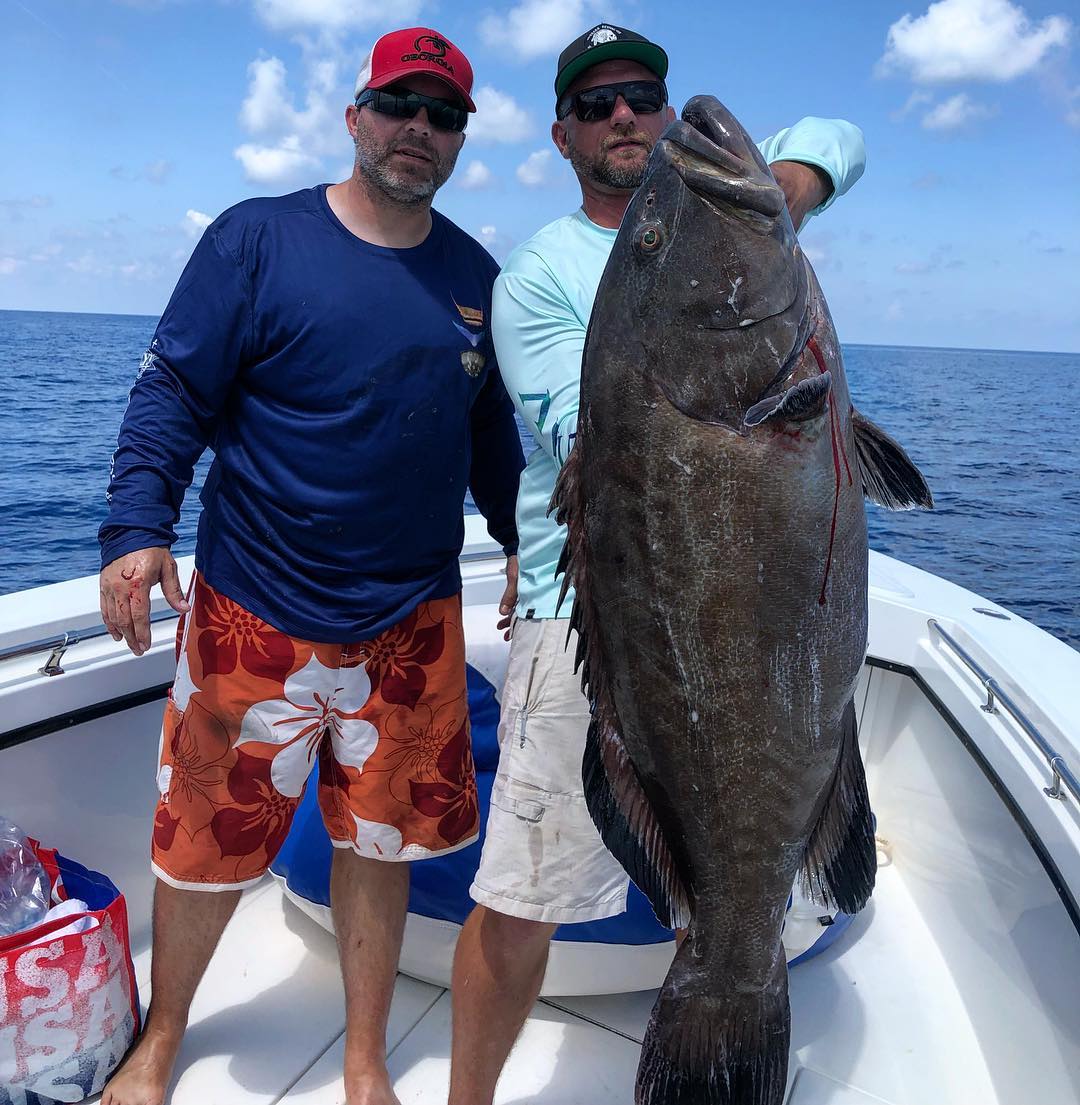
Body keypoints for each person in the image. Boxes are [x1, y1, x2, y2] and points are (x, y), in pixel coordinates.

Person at [97, 27, 524, 1105]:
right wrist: (136, 526)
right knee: (202, 843)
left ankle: (366, 1060)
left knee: (379, 848)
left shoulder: (478, 279)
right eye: (399, 105)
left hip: (411, 622)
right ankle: (163, 1039)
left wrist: (532, 550)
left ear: (462, 138)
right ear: (354, 115)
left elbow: (495, 453)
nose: (418, 130)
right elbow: (173, 396)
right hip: (255, 608)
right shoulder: (255, 241)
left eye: (444, 115)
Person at [447, 23, 867, 1105]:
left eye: (643, 96)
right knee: (520, 896)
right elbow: (571, 426)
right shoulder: (542, 271)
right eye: (597, 106)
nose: (624, 116)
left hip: (773, 621)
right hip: (587, 623)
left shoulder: (716, 208)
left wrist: (784, 187)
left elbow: (843, 135)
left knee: (762, 837)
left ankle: (736, 969)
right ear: (562, 136)